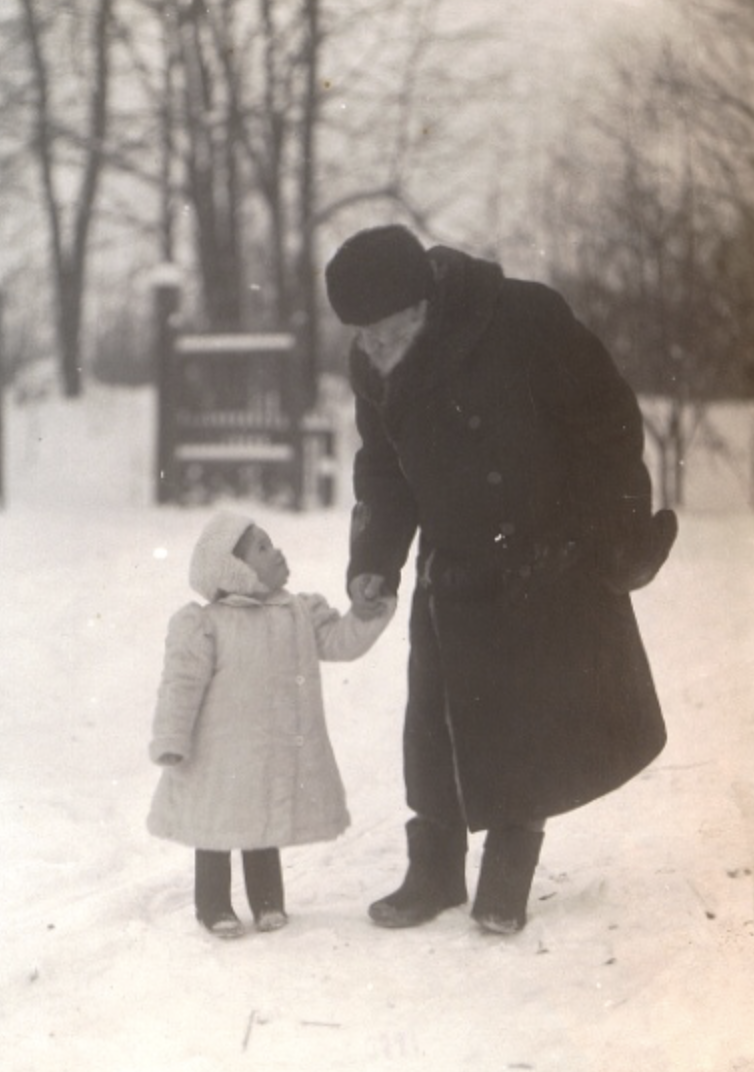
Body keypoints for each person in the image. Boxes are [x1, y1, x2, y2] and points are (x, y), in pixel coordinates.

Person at [325, 224, 677, 935]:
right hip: (450, 563)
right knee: (435, 718)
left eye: (386, 333)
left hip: (543, 556)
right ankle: (434, 873)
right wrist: (374, 561)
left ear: (424, 303)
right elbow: (384, 469)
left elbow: (606, 422)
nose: (374, 351)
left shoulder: (522, 319)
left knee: (525, 723)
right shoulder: (374, 365)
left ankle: (507, 874)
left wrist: (609, 528)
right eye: (363, 337)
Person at [147, 510, 395, 939]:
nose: (276, 550)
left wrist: (366, 613)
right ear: (235, 569)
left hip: (268, 751)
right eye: (262, 547)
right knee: (216, 829)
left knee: (263, 824)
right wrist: (171, 738)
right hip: (218, 756)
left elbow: (339, 641)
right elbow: (181, 683)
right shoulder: (205, 624)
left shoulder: (296, 613)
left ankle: (267, 902)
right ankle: (213, 905)